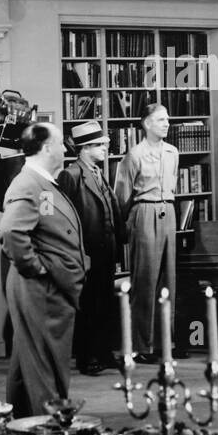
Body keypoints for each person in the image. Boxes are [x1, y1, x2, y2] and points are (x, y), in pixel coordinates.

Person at [0, 123, 88, 417]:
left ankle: (23, 426)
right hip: (40, 287)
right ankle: (49, 433)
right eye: (61, 143)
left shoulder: (44, 183)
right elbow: (12, 232)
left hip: (46, 286)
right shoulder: (28, 183)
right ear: (47, 147)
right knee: (46, 364)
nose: (66, 148)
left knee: (29, 362)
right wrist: (36, 269)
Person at [113, 103, 179, 365]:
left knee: (169, 280)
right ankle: (142, 345)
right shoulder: (134, 155)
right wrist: (127, 226)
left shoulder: (173, 152)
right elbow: (122, 198)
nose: (166, 124)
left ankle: (166, 343)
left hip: (168, 213)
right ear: (147, 124)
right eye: (161, 120)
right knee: (145, 281)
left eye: (167, 119)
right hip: (144, 213)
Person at [58, 120, 123, 376]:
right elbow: (65, 218)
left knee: (104, 302)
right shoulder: (71, 175)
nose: (105, 148)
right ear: (85, 148)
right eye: (100, 145)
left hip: (105, 249)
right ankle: (87, 357)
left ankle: (104, 352)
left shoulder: (96, 172)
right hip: (86, 252)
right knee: (87, 304)